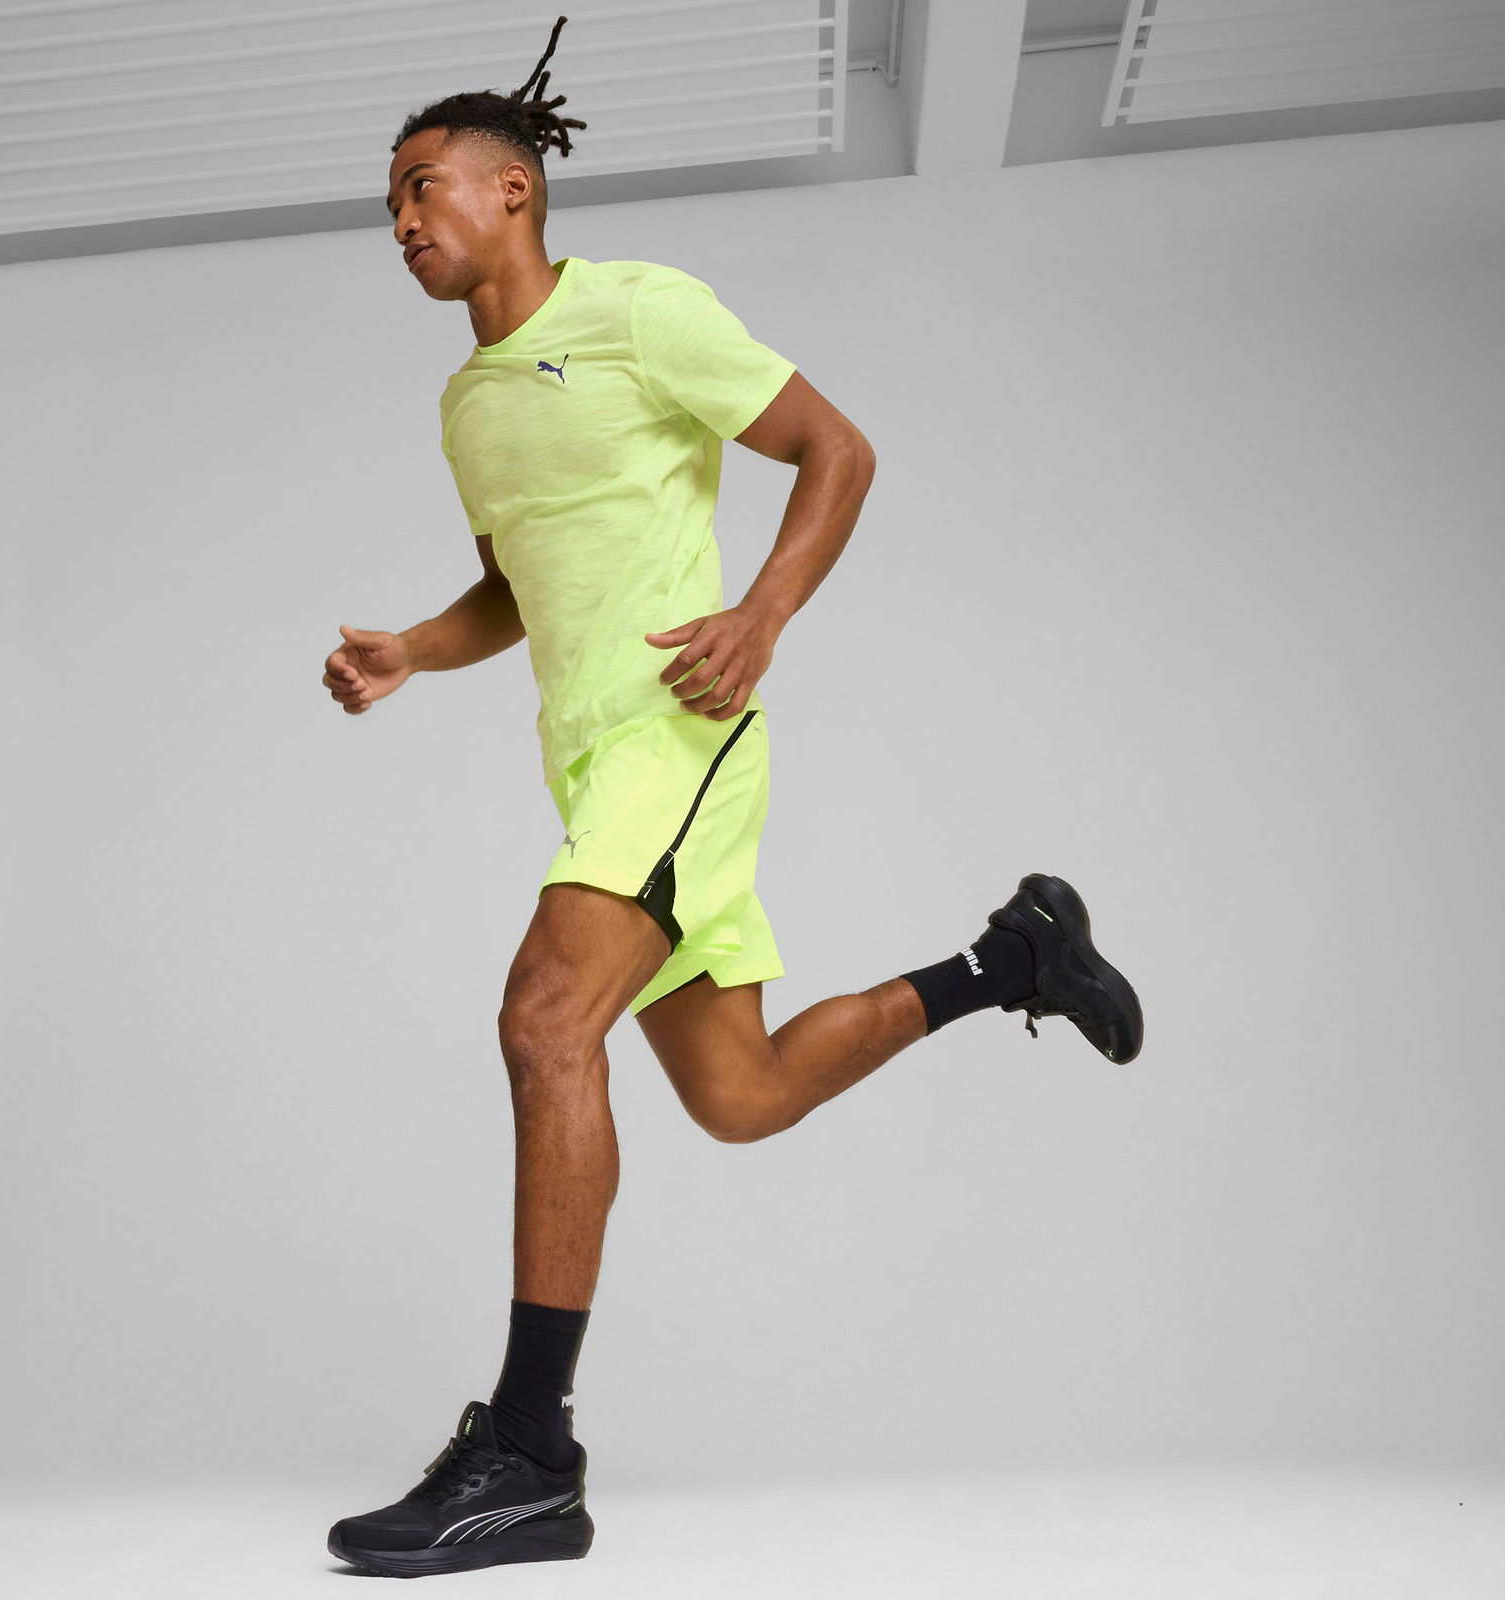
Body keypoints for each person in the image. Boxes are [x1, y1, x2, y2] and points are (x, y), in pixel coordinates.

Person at [321, 15, 1143, 1580]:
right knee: (741, 1096)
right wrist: (415, 651)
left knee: (544, 1021)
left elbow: (836, 448)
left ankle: (530, 1454)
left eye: (425, 186)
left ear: (513, 189)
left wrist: (762, 615)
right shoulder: (466, 406)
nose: (404, 219)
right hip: (596, 770)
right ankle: (1011, 960)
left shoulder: (639, 312)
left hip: (678, 738)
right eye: (392, 203)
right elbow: (515, 589)